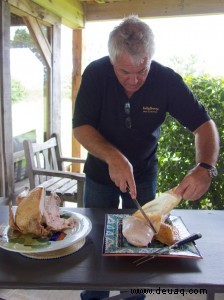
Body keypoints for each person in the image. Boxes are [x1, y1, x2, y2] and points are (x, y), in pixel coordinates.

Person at [73, 15, 219, 300]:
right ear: (112, 60)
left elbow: (204, 125)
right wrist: (114, 158)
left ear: (150, 57)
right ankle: (94, 296)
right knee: (94, 245)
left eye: (142, 70)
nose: (134, 80)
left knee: (143, 245)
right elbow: (81, 127)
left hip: (143, 174)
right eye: (124, 71)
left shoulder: (166, 80)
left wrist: (204, 167)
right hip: (100, 175)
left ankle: (133, 296)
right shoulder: (96, 74)